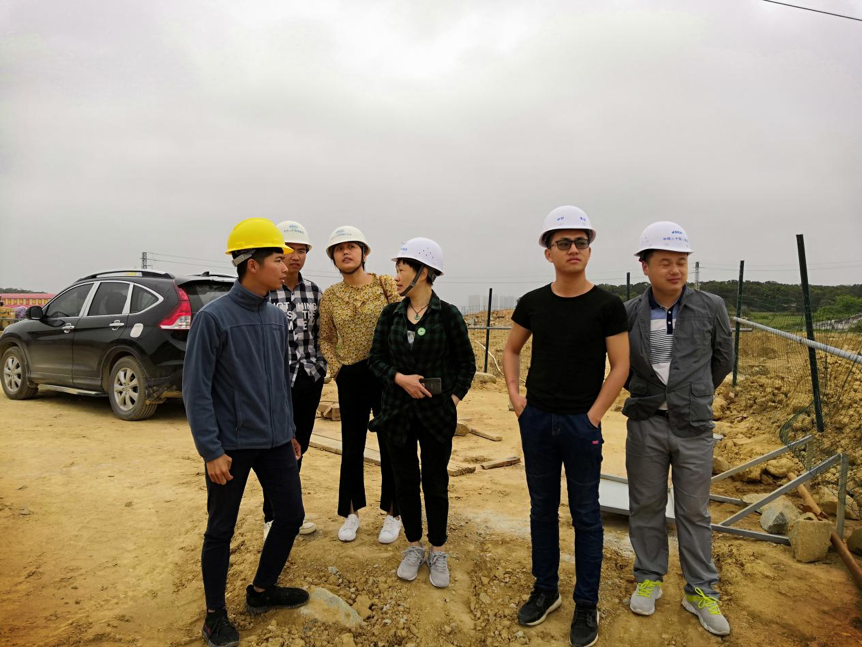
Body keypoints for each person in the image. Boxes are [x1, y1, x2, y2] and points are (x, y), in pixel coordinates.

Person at [503, 206, 630, 647]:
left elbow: (620, 365)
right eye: (563, 242)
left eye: (581, 242)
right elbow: (511, 349)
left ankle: (586, 603)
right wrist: (516, 398)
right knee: (542, 509)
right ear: (548, 252)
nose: (573, 249)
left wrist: (593, 415)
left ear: (589, 250)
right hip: (536, 420)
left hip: (581, 425)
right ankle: (546, 590)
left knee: (586, 515)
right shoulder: (533, 303)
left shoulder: (607, 306)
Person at [184, 218, 309, 647]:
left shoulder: (275, 318)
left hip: (276, 442)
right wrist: (210, 450)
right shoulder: (213, 318)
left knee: (290, 515)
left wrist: (289, 430)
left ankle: (261, 590)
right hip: (231, 448)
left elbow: (279, 380)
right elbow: (196, 389)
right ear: (251, 264)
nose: (286, 266)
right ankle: (214, 616)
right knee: (221, 529)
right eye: (278, 259)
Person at [622, 221, 733, 637]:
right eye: (665, 262)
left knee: (694, 511)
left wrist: (693, 393)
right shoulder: (630, 312)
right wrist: (651, 394)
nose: (675, 270)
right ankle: (649, 578)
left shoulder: (711, 306)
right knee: (646, 505)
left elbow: (723, 359)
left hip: (694, 425)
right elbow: (620, 363)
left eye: (681, 262)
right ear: (645, 266)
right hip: (646, 422)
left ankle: (701, 590)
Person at [368, 238, 476, 588]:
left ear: (424, 272)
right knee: (404, 482)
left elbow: (466, 364)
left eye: (401, 269)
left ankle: (438, 549)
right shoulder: (390, 314)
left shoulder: (448, 315)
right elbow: (376, 360)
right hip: (397, 413)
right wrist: (399, 378)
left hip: (436, 416)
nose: (396, 276)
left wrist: (452, 400)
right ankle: (414, 546)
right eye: (396, 269)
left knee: (435, 483)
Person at [318, 226, 402, 543]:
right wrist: (338, 368)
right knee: (351, 444)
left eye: (352, 247)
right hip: (351, 375)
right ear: (333, 257)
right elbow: (326, 338)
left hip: (385, 373)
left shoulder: (384, 284)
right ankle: (351, 513)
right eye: (339, 249)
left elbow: (402, 318)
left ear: (364, 252)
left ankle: (394, 512)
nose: (346, 252)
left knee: (391, 443)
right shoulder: (331, 296)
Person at [262, 220, 327, 539]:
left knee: (300, 446)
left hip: (308, 378)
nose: (296, 256)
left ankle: (291, 514)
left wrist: (321, 367)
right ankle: (271, 518)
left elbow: (323, 335)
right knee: (275, 448)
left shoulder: (314, 291)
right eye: (290, 250)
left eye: (302, 251)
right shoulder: (264, 291)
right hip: (275, 381)